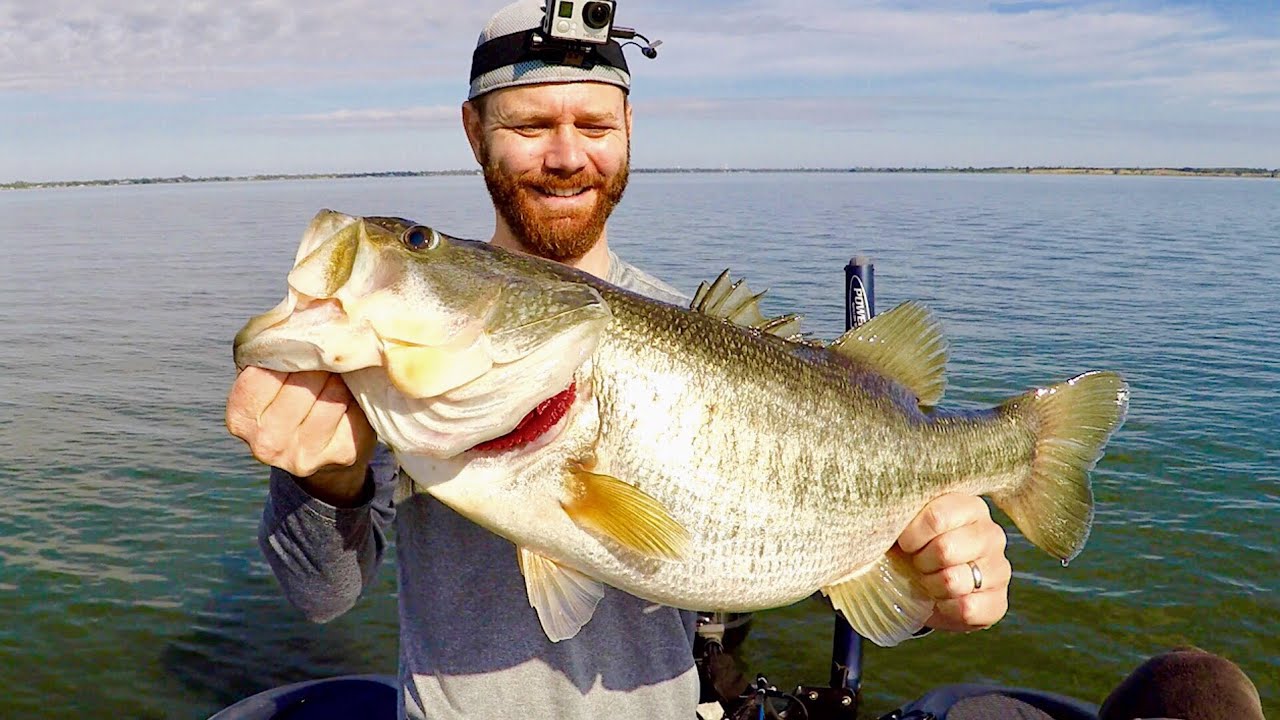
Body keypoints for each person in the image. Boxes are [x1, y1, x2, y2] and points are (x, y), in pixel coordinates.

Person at [224, 2, 1014, 717]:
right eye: (531, 125)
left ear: (630, 127)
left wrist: (938, 583)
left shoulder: (684, 325)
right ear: (473, 131)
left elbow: (809, 563)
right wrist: (325, 481)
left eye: (596, 127)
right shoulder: (396, 359)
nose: (567, 156)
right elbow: (322, 596)